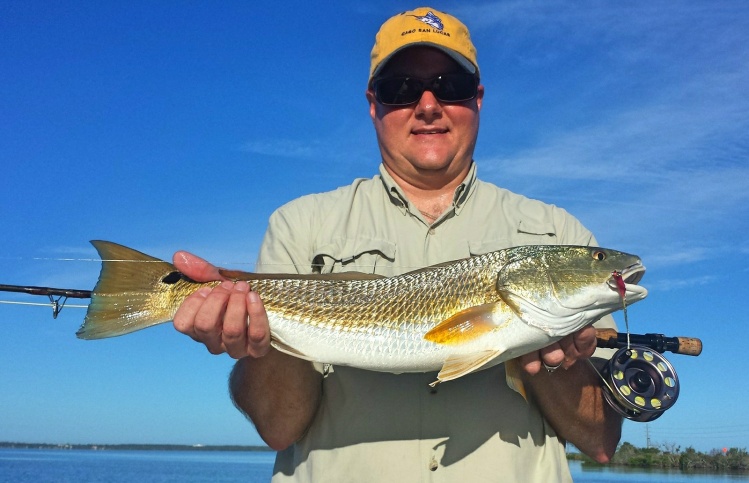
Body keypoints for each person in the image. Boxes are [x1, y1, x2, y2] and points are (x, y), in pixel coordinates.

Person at [172, 7, 622, 482]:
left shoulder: (558, 233)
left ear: (479, 99)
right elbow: (279, 428)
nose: (428, 104)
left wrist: (553, 360)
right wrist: (255, 340)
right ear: (373, 104)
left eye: (451, 85)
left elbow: (599, 441)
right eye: (400, 89)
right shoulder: (299, 225)